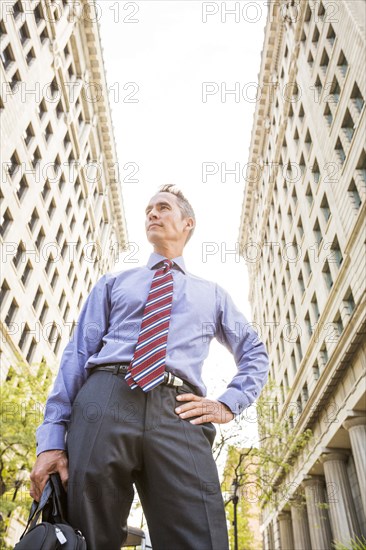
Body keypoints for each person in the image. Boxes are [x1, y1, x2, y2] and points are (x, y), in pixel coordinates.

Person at [30, 184, 269, 550]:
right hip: (105, 399)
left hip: (180, 412)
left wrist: (227, 403)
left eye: (163, 208)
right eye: (148, 210)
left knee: (200, 536)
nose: (152, 214)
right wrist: (50, 441)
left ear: (188, 223)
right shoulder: (114, 282)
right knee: (84, 534)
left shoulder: (213, 294)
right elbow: (76, 357)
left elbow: (255, 352)